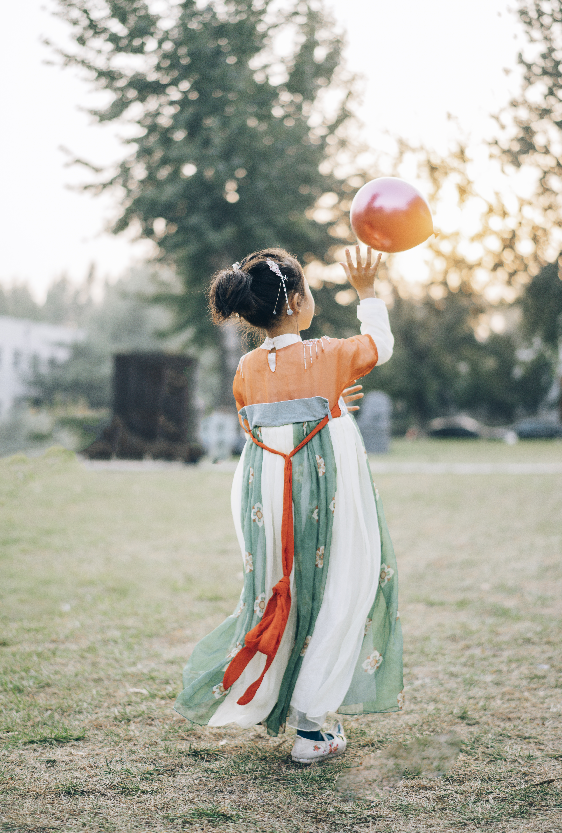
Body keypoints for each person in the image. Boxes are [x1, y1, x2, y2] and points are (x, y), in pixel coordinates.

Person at [175, 246, 403, 764]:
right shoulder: (326, 354)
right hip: (327, 499)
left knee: (291, 591)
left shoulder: (247, 368)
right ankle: (313, 726)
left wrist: (333, 403)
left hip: (271, 501)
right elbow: (380, 346)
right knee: (337, 586)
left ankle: (302, 710)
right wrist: (368, 292)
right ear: (298, 300)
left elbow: (265, 427)